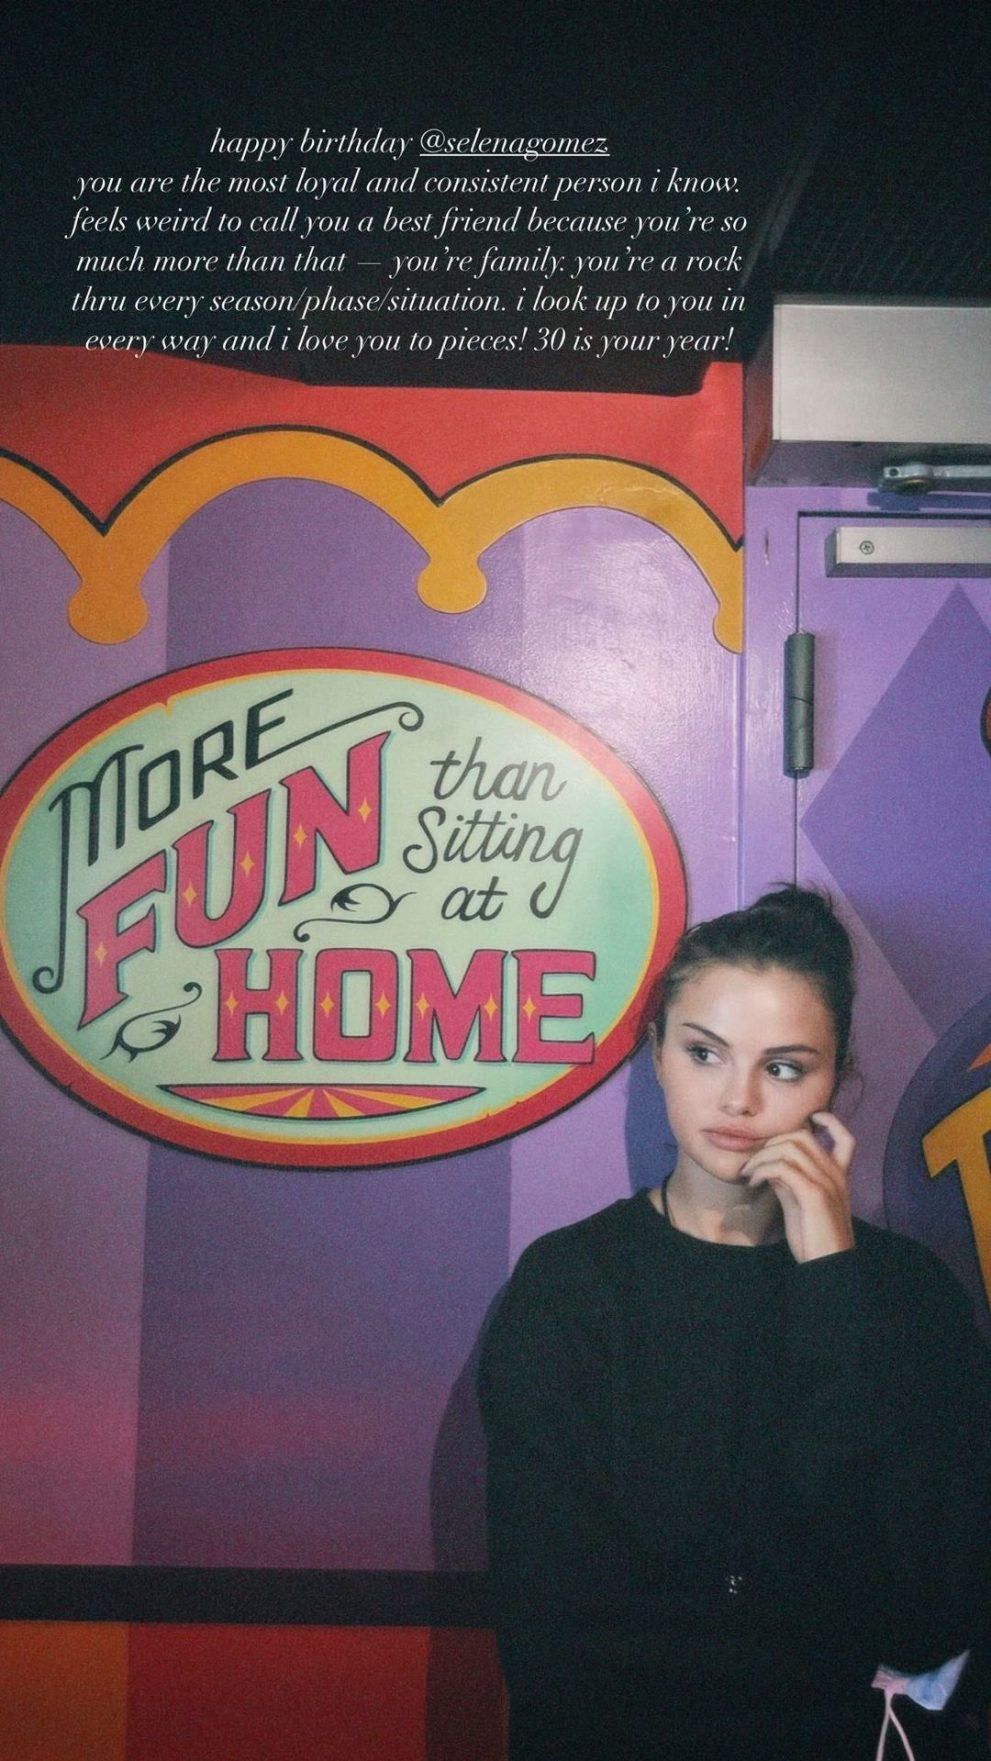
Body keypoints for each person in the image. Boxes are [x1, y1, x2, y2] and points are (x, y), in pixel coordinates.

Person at [479, 887, 991, 1760]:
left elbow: (933, 1614)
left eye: (783, 1067)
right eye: (704, 1052)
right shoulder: (569, 1288)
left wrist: (830, 1277)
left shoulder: (907, 1296)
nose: (739, 1099)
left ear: (836, 1084)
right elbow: (551, 1648)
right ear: (657, 1053)